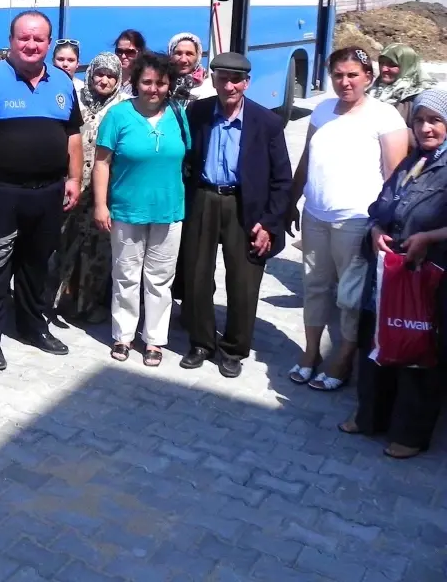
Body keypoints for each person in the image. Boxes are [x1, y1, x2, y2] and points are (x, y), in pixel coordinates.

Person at [0, 11, 81, 370]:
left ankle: (32, 327)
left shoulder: (63, 82)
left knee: (37, 266)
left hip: (48, 193)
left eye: (39, 39)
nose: (31, 44)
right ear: (11, 41)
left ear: (49, 42)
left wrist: (74, 179)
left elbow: (73, 135)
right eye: (24, 38)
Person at [288, 47, 408, 391]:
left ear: (368, 77)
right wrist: (291, 200)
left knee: (350, 296)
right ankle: (311, 353)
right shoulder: (323, 110)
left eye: (353, 74)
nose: (345, 81)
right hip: (315, 216)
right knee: (314, 287)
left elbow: (395, 178)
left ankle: (343, 357)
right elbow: (308, 158)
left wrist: (384, 224)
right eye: (338, 74)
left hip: (356, 221)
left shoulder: (385, 117)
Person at [340, 88, 447, 458]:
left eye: (434, 120)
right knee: (378, 342)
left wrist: (428, 237)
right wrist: (374, 230)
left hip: (427, 275)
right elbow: (381, 205)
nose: (426, 128)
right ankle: (370, 417)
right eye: (419, 120)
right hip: (388, 271)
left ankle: (410, 434)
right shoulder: (411, 161)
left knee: (417, 349)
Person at [177, 53, 292, 378]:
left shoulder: (266, 122)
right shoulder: (198, 112)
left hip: (246, 206)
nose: (229, 85)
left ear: (247, 83)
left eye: (236, 79)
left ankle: (234, 349)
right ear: (212, 79)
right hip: (204, 199)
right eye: (223, 78)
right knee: (197, 275)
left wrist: (270, 223)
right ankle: (201, 342)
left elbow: (282, 179)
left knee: (243, 281)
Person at [93, 51, 189, 366]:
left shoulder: (178, 113)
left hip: (168, 210)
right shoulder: (118, 115)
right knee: (125, 275)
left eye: (160, 83)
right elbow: (102, 163)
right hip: (126, 210)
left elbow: (183, 158)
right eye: (147, 82)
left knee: (160, 279)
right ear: (135, 83)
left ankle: (155, 340)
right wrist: (100, 205)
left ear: (169, 84)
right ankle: (123, 336)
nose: (153, 89)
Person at [55, 52, 127, 325]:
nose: (104, 80)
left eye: (110, 76)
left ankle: (90, 304)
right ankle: (59, 299)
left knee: (97, 250)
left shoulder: (123, 107)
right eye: (99, 74)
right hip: (70, 185)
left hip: (103, 192)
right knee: (63, 243)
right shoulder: (76, 101)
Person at [370, 43, 434, 126]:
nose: (383, 69)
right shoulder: (371, 91)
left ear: (407, 66)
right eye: (381, 63)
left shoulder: (419, 99)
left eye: (392, 65)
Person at [168, 32, 215, 104]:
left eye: (189, 54)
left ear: (198, 57)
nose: (183, 60)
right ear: (171, 55)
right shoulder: (162, 85)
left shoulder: (210, 88)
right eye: (178, 53)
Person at [113, 29, 146, 96]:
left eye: (130, 52)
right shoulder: (109, 80)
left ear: (140, 52)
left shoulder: (145, 82)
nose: (123, 56)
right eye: (119, 51)